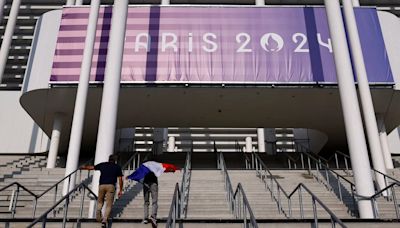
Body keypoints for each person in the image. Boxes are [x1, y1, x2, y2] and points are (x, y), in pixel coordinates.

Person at [81, 155, 123, 227]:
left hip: (101, 185)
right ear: (115, 160)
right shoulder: (117, 167)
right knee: (109, 204)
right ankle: (104, 220)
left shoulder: (103, 165)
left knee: (100, 201)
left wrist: (84, 167)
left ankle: (98, 211)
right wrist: (120, 190)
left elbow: (92, 167)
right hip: (111, 186)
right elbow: (120, 179)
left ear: (108, 159)